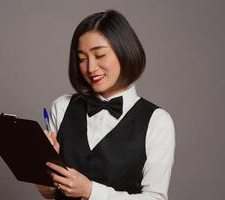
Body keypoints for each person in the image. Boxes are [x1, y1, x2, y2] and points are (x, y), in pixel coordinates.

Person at [35, 10, 175, 200]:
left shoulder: (158, 121)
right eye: (82, 59)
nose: (90, 68)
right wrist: (42, 166)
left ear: (124, 51)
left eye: (99, 55)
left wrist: (91, 191)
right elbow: (49, 194)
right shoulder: (61, 107)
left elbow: (155, 198)